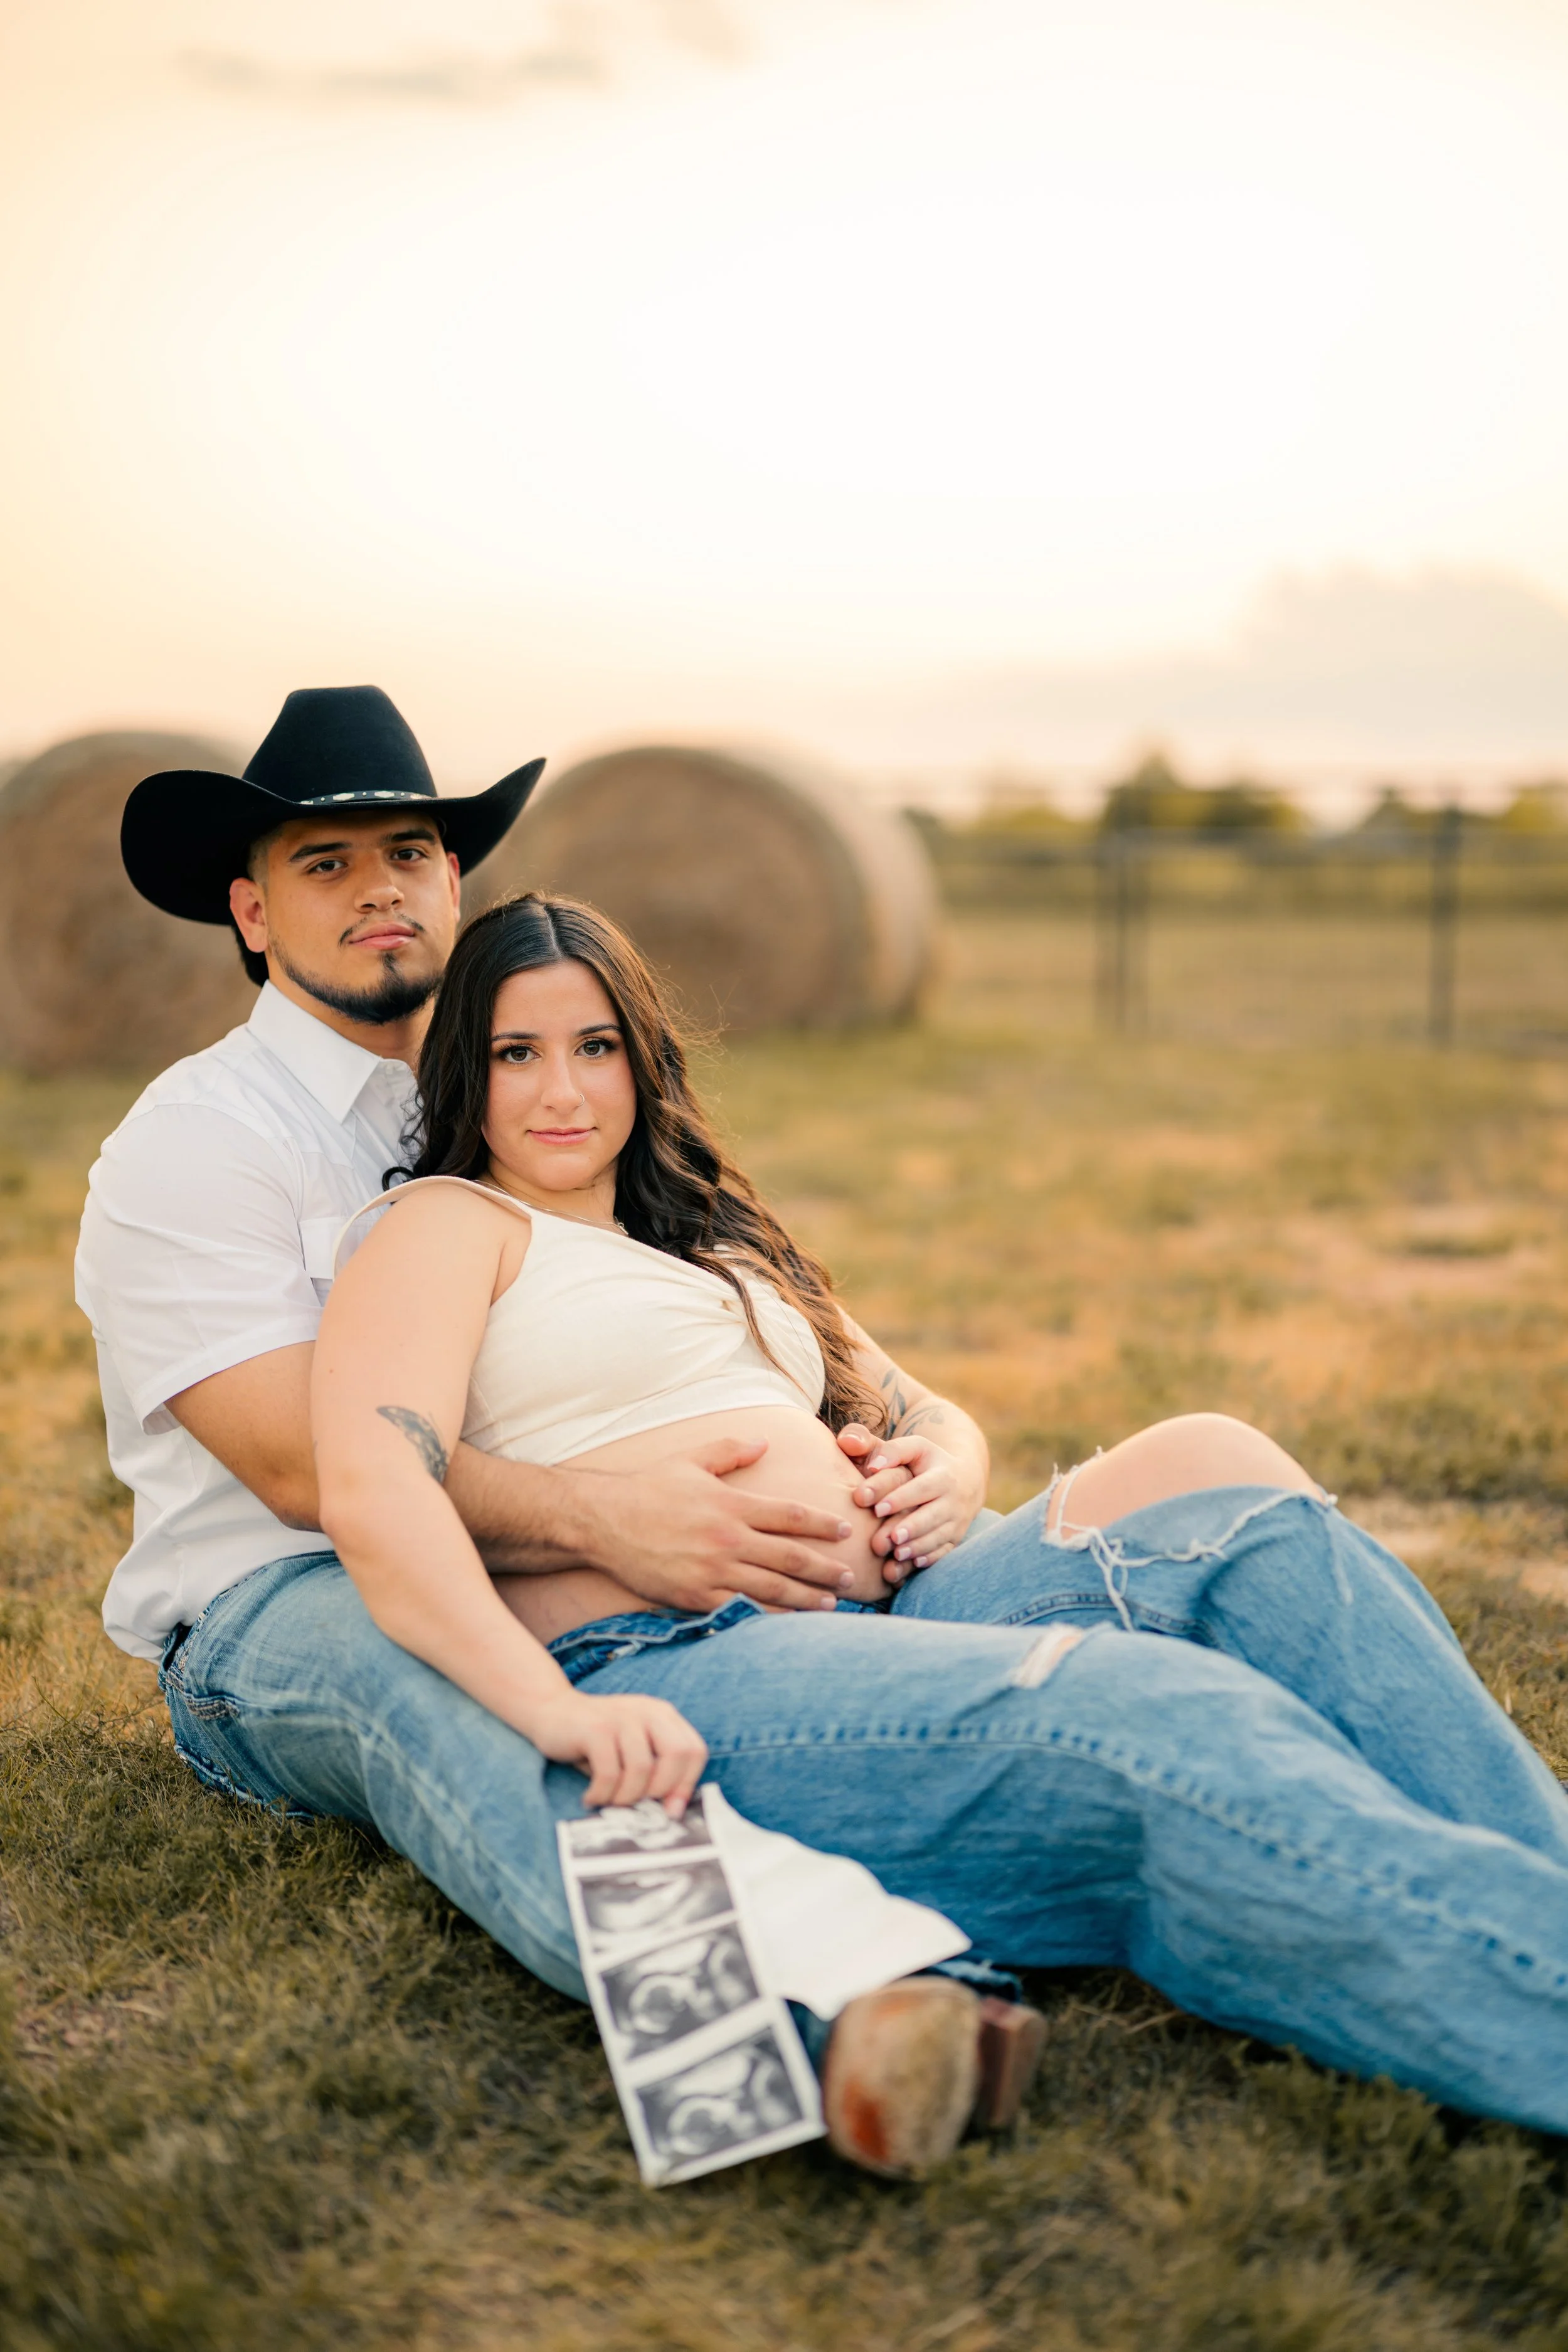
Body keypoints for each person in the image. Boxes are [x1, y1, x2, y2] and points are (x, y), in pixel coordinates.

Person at [305, 887, 1568, 2169]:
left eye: (595, 1047)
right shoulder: (449, 1228)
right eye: (518, 1053)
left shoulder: (710, 1237)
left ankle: (1547, 1887)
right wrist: (557, 1716)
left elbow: (922, 1407)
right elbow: (373, 1485)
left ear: (642, 1057)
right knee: (1151, 1709)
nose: (562, 1091)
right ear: (468, 1067)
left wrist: (951, 1471)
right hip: (689, 1659)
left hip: (907, 1603)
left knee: (1219, 1472)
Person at [77, 684, 1028, 2182]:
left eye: (408, 852)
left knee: (745, 1681)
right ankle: (819, 2021)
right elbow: (301, 1472)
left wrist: (941, 1456)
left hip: (519, 1558)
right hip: (275, 1604)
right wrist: (603, 1518)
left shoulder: (526, 1087)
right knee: (449, 1694)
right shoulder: (199, 1141)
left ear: (455, 885)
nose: (378, 887)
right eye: (324, 864)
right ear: (250, 914)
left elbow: (826, 1353)